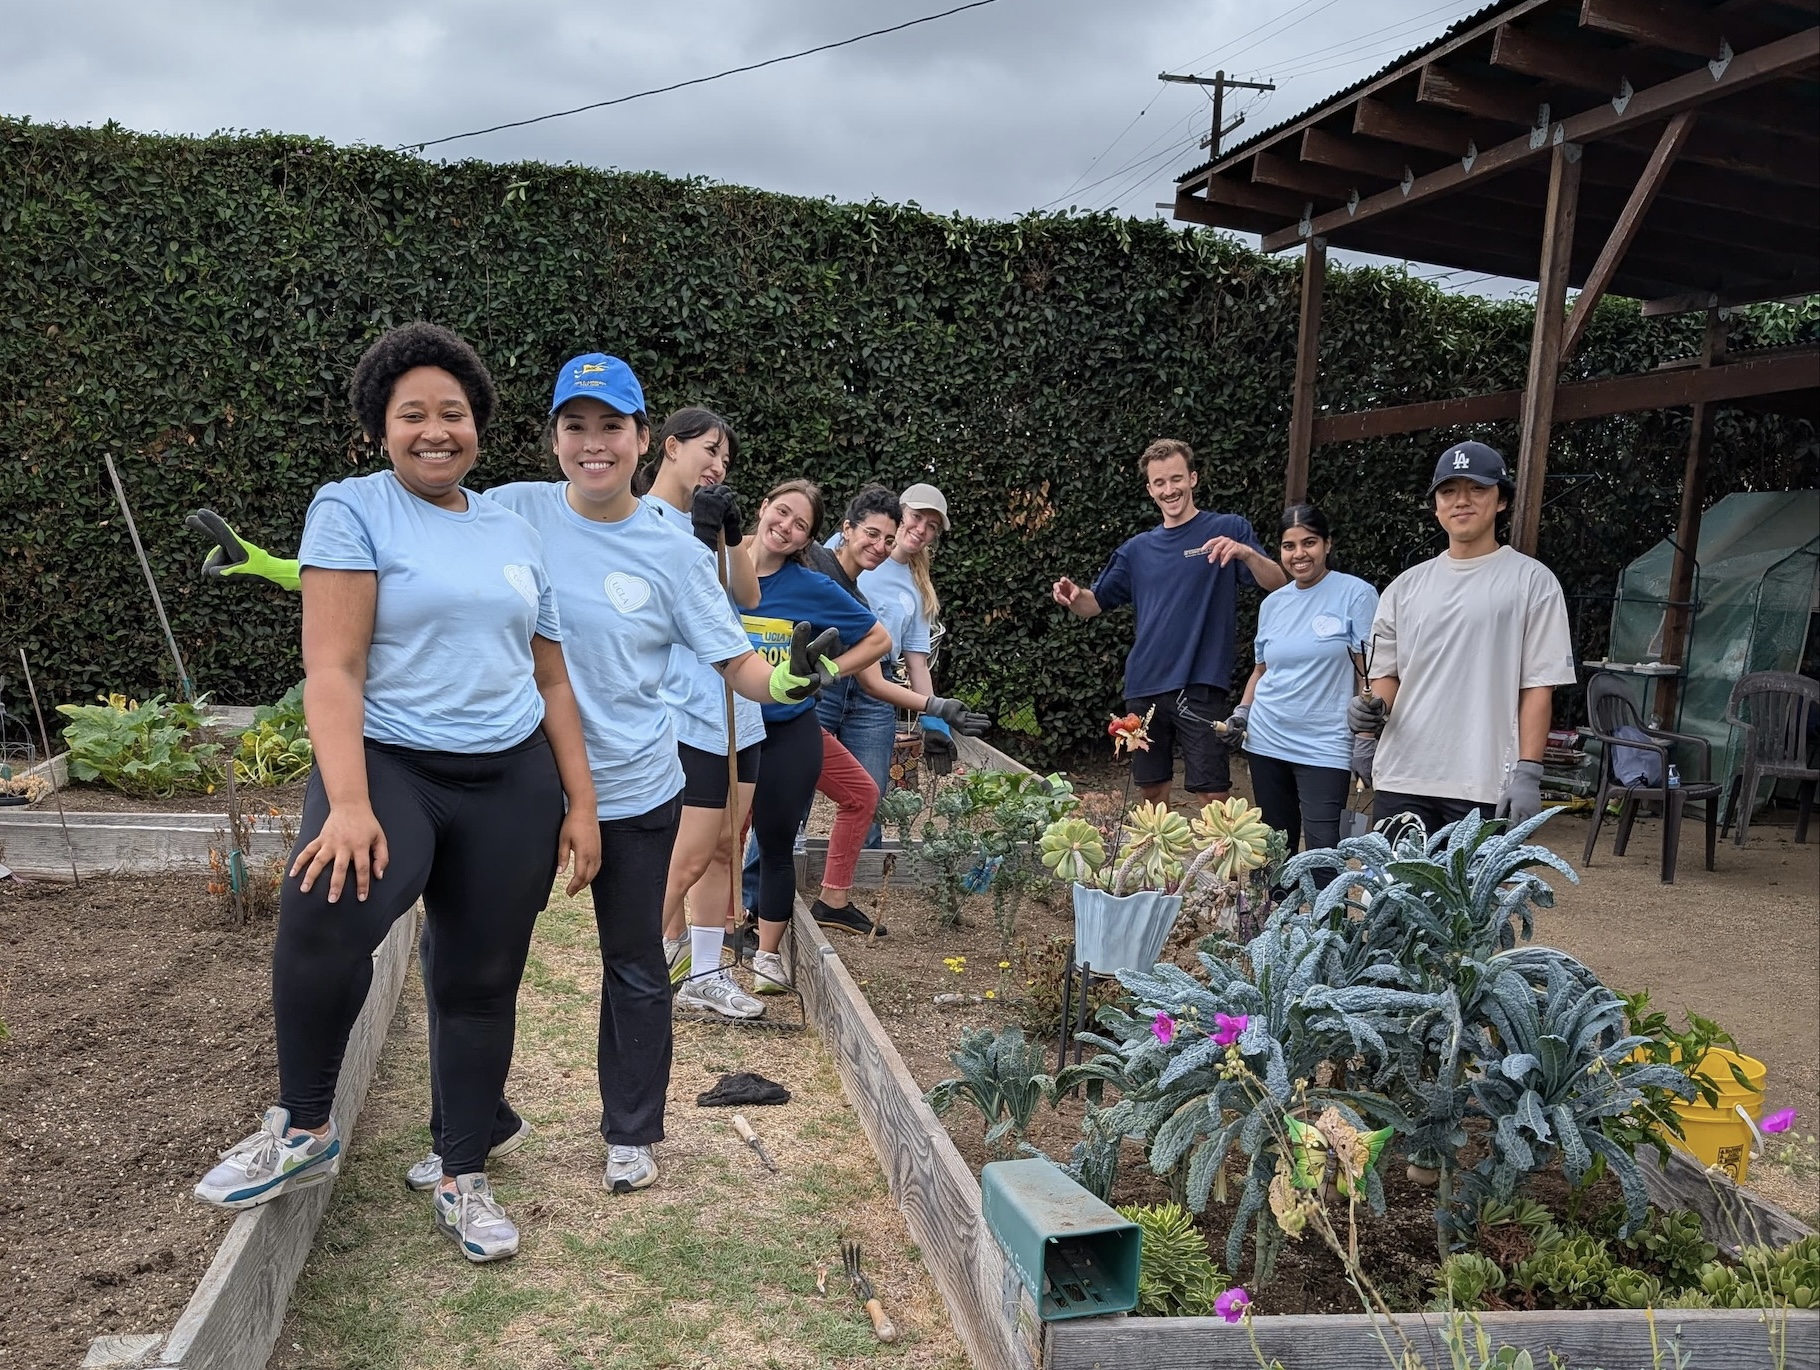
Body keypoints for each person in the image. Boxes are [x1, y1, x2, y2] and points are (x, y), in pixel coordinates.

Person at [193, 324, 602, 1268]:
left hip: (510, 780)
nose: (434, 430)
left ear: (477, 425)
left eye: (452, 413)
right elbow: (333, 668)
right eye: (411, 413)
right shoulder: (352, 508)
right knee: (324, 913)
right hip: (392, 767)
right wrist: (348, 803)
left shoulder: (512, 530)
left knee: (480, 979)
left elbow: (550, 679)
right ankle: (303, 1127)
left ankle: (463, 1172)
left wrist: (581, 805)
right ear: (381, 427)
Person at [485, 356, 831, 1188]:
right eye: (575, 426)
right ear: (554, 438)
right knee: (481, 959)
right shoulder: (511, 510)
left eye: (612, 427)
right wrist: (294, 571)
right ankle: (473, 1119)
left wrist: (783, 681)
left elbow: (736, 660)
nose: (593, 444)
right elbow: (413, 557)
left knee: (635, 961)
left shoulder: (673, 550)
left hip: (636, 781)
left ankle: (631, 1132)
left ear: (643, 439)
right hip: (524, 776)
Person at [1347, 441, 1575, 835]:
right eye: (1448, 491)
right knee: (1394, 878)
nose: (1461, 501)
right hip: (1403, 776)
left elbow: (1539, 686)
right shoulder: (1404, 587)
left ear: (1501, 500)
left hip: (1485, 782)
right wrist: (1369, 719)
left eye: (1477, 489)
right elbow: (1386, 675)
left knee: (1473, 881)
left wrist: (1529, 771)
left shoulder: (1533, 582)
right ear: (1436, 506)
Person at [1051, 438, 1286, 805]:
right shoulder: (1136, 550)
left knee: (1214, 793)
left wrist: (1246, 553)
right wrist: (1073, 595)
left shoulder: (1228, 529)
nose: (1169, 489)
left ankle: (1219, 848)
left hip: (1201, 682)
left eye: (1176, 479)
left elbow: (1278, 583)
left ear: (1193, 478)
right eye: (1159, 483)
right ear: (1150, 489)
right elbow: (1093, 604)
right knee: (1150, 791)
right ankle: (1153, 848)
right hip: (1144, 684)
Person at [804, 485, 987, 933]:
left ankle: (847, 890)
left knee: (869, 790)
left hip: (876, 687)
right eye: (916, 518)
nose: (920, 530)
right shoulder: (842, 550)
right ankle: (775, 879)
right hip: (822, 672)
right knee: (796, 781)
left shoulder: (917, 589)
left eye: (932, 526)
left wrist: (934, 721)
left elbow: (916, 663)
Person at [634, 407, 768, 996]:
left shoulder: (711, 523)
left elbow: (748, 594)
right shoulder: (640, 518)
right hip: (687, 711)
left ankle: (707, 973)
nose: (717, 465)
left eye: (725, 458)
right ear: (670, 447)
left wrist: (730, 536)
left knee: (722, 850)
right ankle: (637, 969)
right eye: (709, 450)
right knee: (684, 859)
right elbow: (668, 601)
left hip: (740, 710)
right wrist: (695, 537)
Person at [742, 479, 891, 991]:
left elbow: (878, 639)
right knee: (716, 844)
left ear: (808, 540)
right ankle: (709, 943)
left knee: (776, 843)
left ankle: (766, 958)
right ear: (763, 507)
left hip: (785, 731)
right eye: (782, 512)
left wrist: (828, 672)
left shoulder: (811, 587)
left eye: (800, 524)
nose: (786, 526)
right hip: (723, 731)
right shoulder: (717, 568)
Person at [1218, 505, 1377, 854]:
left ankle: (1324, 897)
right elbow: (1261, 671)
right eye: (1289, 546)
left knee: (1324, 853)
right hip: (1266, 741)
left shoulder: (1356, 594)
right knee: (1275, 851)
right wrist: (1242, 713)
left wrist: (1365, 738)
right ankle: (1275, 894)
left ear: (1328, 544)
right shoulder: (1273, 604)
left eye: (1309, 543)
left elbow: (1368, 672)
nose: (1299, 554)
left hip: (1327, 745)